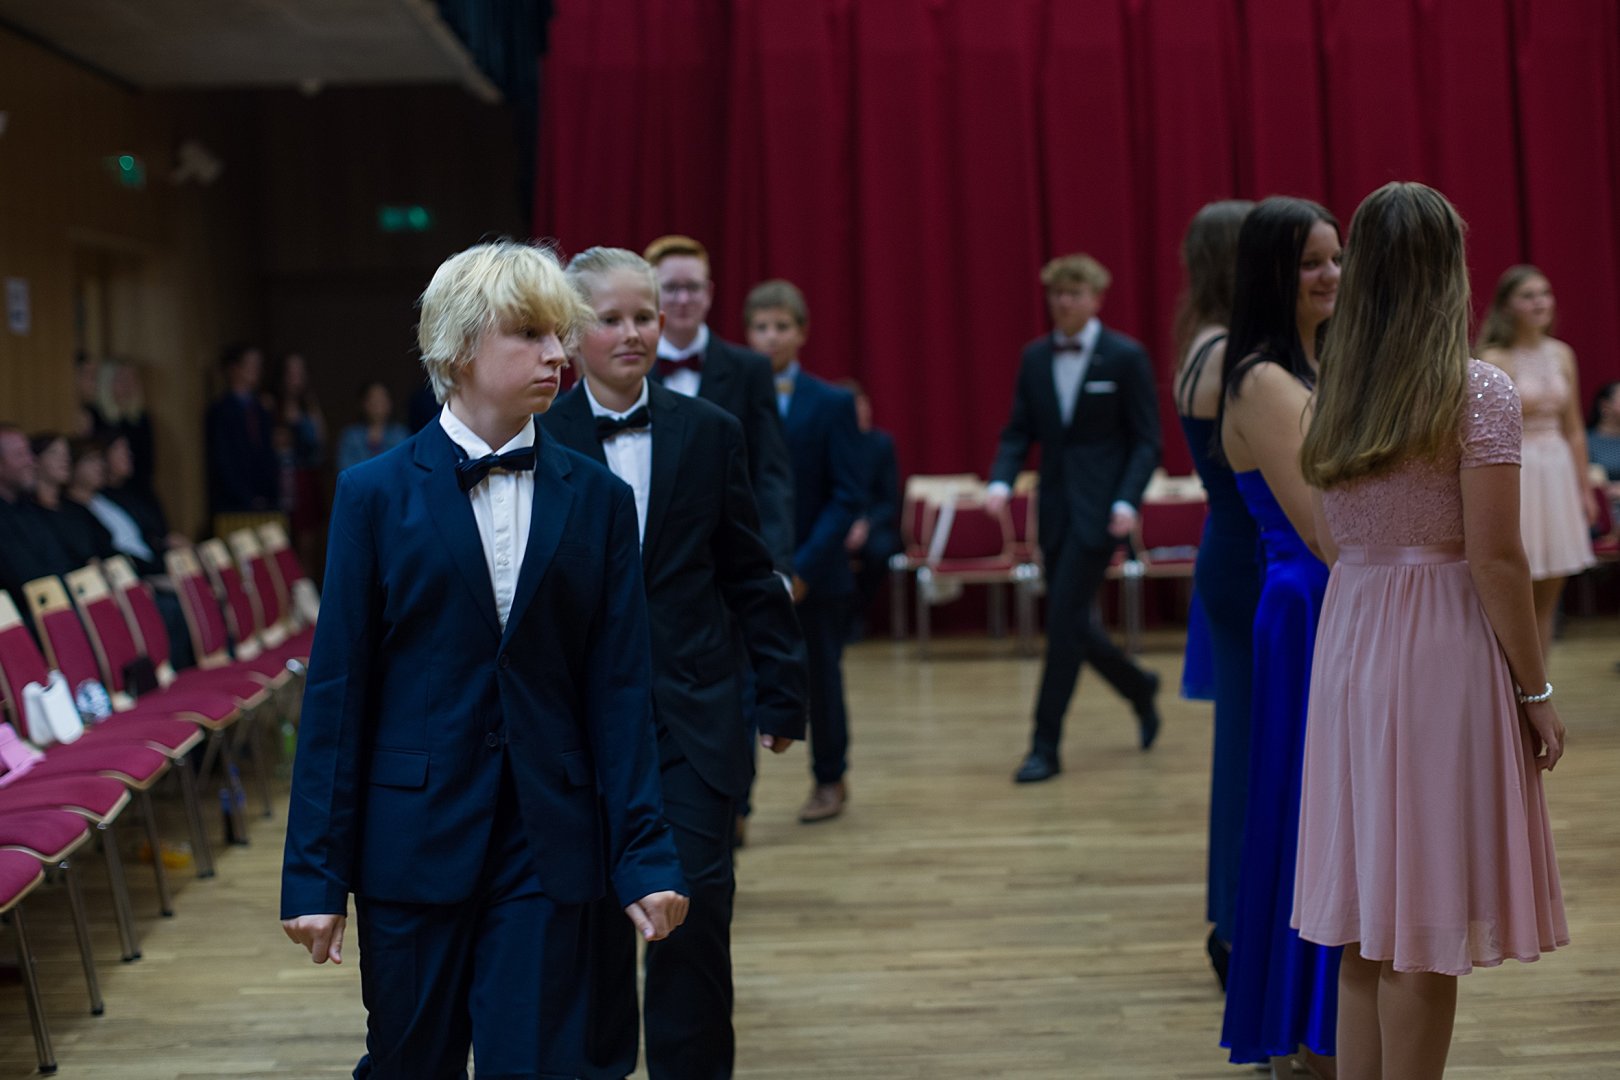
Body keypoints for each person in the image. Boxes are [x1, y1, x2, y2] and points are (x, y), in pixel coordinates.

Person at [280, 240, 688, 1078]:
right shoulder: (373, 495)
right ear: (460, 346)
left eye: (560, 334)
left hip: (549, 843)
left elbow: (619, 693)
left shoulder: (600, 500)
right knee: (410, 1063)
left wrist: (646, 856)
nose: (558, 354)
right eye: (530, 334)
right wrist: (314, 875)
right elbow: (338, 694)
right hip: (411, 841)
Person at [1296, 181, 1569, 1080]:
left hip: (1354, 635)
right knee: (1423, 924)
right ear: (1447, 267)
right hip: (1438, 644)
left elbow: (1334, 538)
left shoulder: (1332, 389)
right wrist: (1535, 690)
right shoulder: (1475, 390)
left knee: (1367, 919)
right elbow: (1497, 559)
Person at [543, 247, 809, 1080]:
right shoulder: (536, 436)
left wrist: (782, 693)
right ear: (571, 334)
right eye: (610, 319)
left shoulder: (710, 431)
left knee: (692, 923)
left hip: (693, 718)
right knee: (590, 926)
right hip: (575, 729)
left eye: (644, 317)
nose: (631, 333)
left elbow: (746, 571)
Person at [1217, 196, 1342, 1077]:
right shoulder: (1262, 379)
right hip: (1306, 602)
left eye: (1335, 258)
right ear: (1272, 273)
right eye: (1310, 262)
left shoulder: (1321, 361)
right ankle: (1304, 1030)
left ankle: (1329, 1019)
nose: (1330, 275)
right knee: (1304, 815)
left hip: (1336, 594)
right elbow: (1321, 524)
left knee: (1335, 815)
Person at [985, 253, 1162, 785]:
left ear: (1096, 298)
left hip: (1101, 514)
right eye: (1057, 293)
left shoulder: (1125, 356)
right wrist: (1000, 480)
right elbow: (1019, 430)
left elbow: (1146, 441)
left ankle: (1044, 746)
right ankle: (1138, 686)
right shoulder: (1035, 357)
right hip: (1055, 511)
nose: (1064, 302)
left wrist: (1127, 501)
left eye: (1075, 293)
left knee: (1062, 624)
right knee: (1075, 622)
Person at [1169, 199, 1256, 989]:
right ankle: (1237, 924)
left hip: (1233, 553)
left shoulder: (1203, 338)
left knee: (1244, 749)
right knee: (1251, 752)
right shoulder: (1231, 352)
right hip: (1253, 557)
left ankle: (1235, 920)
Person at [744, 279, 864, 824]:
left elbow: (847, 495)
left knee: (822, 681)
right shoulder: (728, 398)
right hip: (749, 568)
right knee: (739, 685)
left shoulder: (832, 403)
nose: (771, 337)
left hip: (816, 572)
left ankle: (830, 779)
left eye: (782, 327)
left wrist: (802, 568)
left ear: (802, 333)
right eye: (761, 327)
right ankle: (735, 802)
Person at [643, 235, 796, 573]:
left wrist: (779, 566)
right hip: (649, 560)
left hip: (730, 557)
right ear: (651, 294)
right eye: (671, 288)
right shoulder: (630, 370)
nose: (683, 299)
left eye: (693, 287)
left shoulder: (751, 370)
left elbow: (770, 473)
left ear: (709, 292)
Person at [1477, 266, 1597, 659]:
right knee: (1516, 585)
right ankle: (1509, 682)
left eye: (1544, 293)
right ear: (1506, 306)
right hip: (1517, 471)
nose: (1540, 302)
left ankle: (1540, 682)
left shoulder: (1562, 354)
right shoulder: (1493, 358)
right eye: (1528, 296)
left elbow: (1574, 428)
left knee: (1550, 591)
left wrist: (1584, 489)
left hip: (1557, 472)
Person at [839, 379, 903, 640]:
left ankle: (856, 611)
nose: (862, 412)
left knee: (880, 550)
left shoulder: (881, 444)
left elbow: (889, 500)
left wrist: (864, 524)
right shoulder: (827, 442)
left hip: (872, 523)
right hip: (836, 521)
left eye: (864, 405)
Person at [0, 424, 73, 602]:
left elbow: (60, 561)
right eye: (20, 454)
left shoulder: (27, 507)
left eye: (29, 452)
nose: (31, 461)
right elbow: (28, 581)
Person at [205, 344, 279, 516]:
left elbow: (267, 454)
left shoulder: (262, 409)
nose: (256, 370)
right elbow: (222, 460)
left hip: (265, 500)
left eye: (258, 365)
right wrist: (245, 497)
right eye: (250, 365)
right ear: (234, 369)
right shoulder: (220, 411)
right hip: (232, 503)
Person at [335, 381, 410, 473]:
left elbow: (404, 468)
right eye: (373, 399)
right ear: (363, 403)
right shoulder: (350, 436)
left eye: (382, 399)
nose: (377, 404)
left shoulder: (400, 434)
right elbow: (345, 470)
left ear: (390, 403)